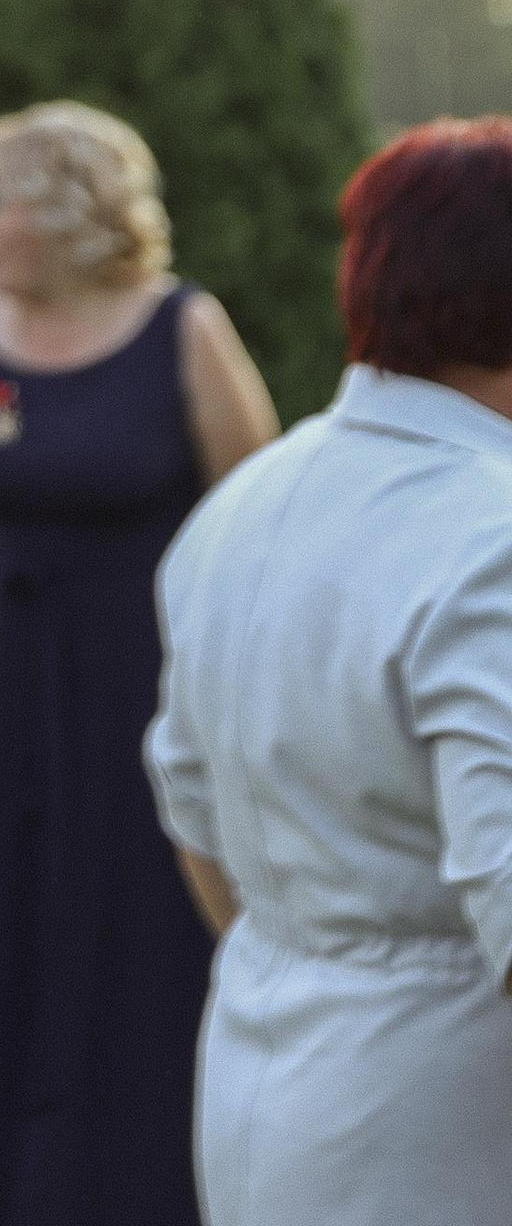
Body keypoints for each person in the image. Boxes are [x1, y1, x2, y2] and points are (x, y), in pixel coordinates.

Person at [0, 101, 277, 1225]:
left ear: (67, 212)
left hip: (155, 695)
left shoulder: (182, 328)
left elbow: (256, 521)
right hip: (16, 701)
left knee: (151, 951)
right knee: (9, 950)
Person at [147, 120, 512, 1224]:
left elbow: (192, 817)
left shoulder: (240, 507)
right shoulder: (490, 532)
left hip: (263, 1076)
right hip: (448, 1128)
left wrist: (324, 954)